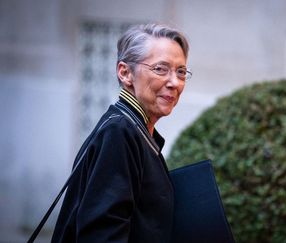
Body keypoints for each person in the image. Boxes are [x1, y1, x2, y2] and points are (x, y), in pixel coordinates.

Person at [52, 23, 191, 242]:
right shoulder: (120, 132)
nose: (174, 82)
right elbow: (102, 235)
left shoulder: (136, 130)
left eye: (181, 72)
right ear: (125, 73)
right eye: (160, 69)